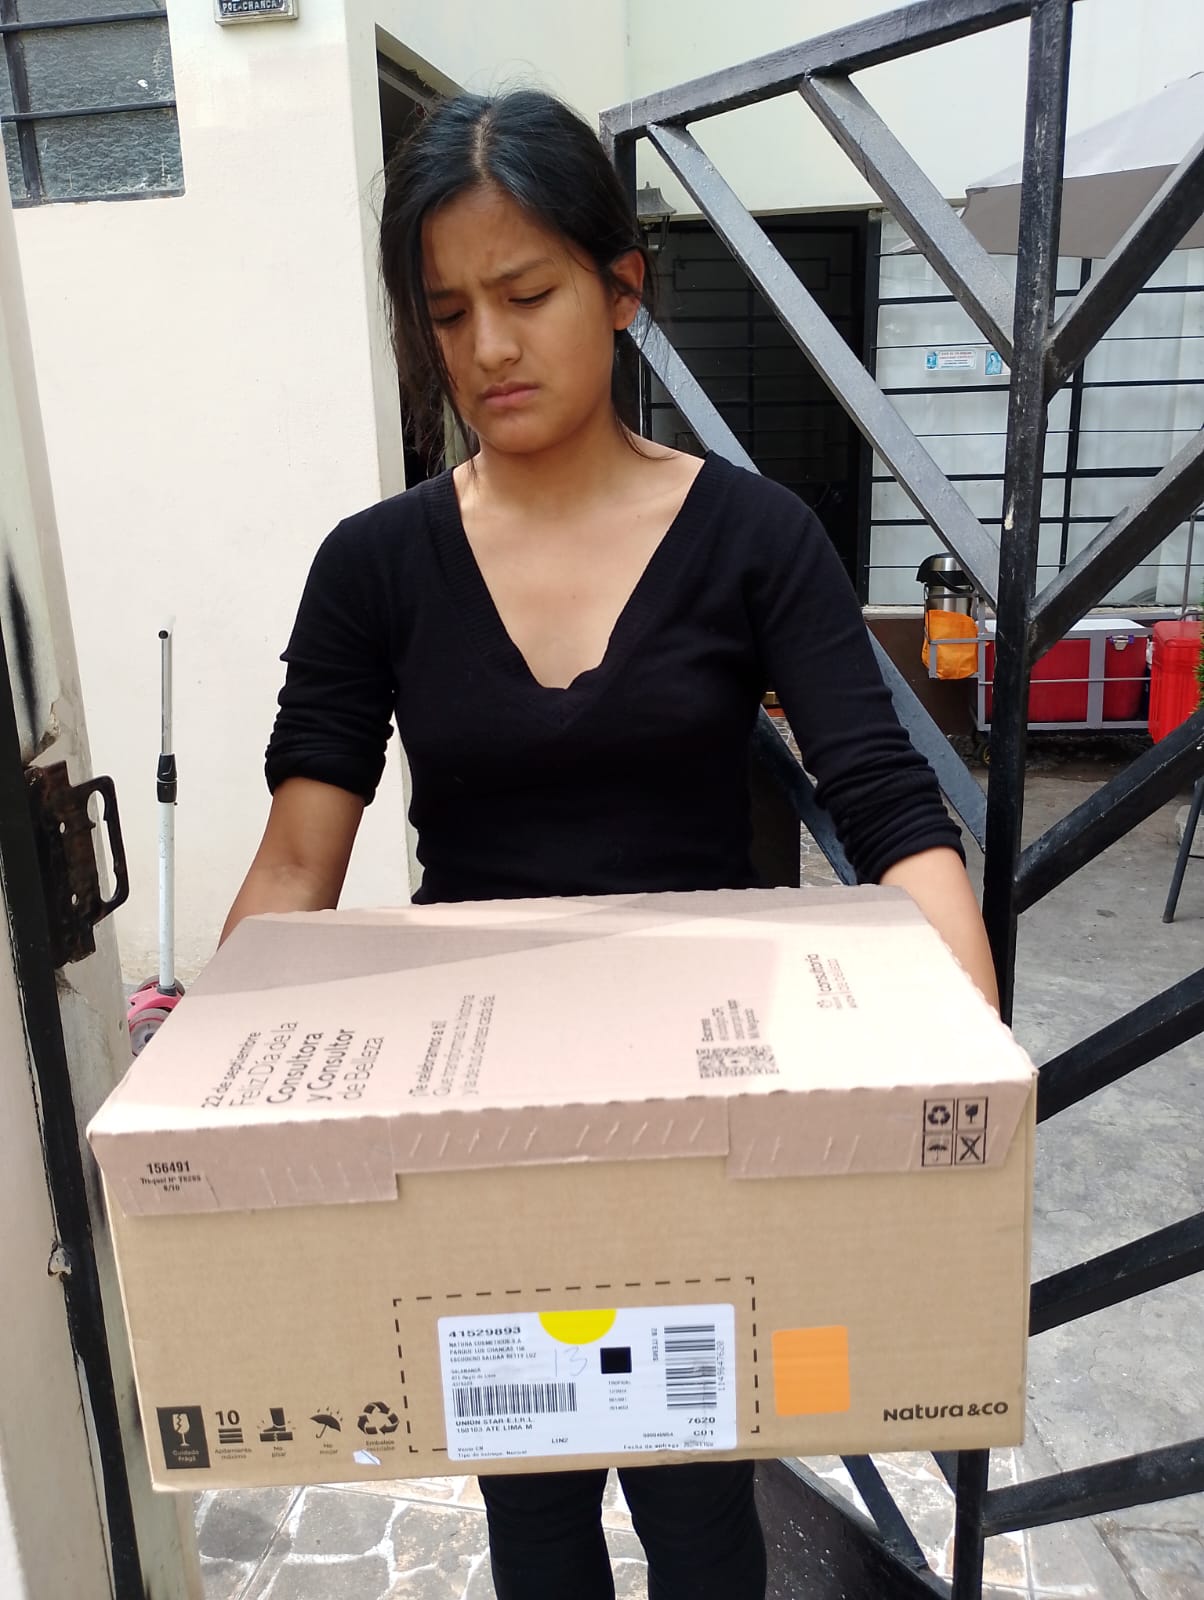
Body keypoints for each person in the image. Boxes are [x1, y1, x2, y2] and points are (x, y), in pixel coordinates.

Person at [221, 88, 999, 1600]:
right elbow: (300, 862)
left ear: (622, 286)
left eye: (527, 294)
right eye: (449, 312)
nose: (488, 349)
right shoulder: (375, 567)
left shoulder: (754, 538)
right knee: (534, 1513)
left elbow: (887, 804)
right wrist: (215, 1091)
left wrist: (966, 1071)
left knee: (703, 1511)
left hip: (698, 1115)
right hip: (481, 1126)